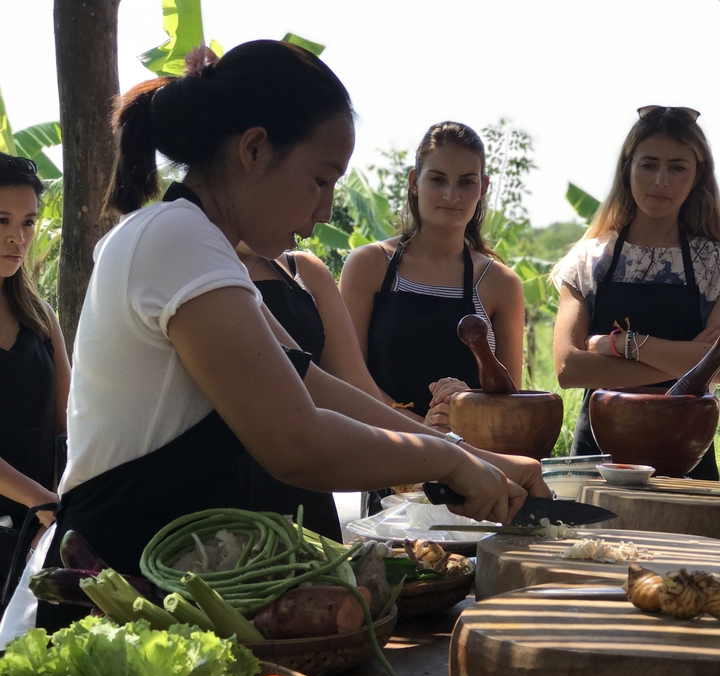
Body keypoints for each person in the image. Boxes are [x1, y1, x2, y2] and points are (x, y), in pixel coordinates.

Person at [20, 41, 547, 635]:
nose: (325, 210)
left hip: (172, 586)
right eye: (321, 180)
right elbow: (296, 440)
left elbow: (311, 383)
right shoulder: (175, 239)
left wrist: (485, 459)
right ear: (253, 149)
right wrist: (448, 459)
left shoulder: (202, 246)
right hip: (119, 594)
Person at [553, 105, 720, 479]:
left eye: (678, 167)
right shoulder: (589, 259)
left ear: (697, 176)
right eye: (649, 164)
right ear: (627, 168)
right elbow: (568, 368)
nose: (661, 180)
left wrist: (623, 344)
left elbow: (718, 367)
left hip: (687, 460)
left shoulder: (714, 263)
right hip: (599, 459)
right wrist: (689, 360)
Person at [340, 120, 525, 429]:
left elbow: (513, 404)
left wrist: (469, 404)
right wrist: (421, 428)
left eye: (466, 182)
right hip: (377, 453)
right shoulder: (369, 266)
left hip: (469, 463)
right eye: (438, 179)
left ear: (483, 188)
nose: (451, 194)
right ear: (414, 181)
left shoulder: (501, 284)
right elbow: (347, 380)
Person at [236, 244, 385, 539]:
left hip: (307, 492)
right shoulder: (199, 268)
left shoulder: (304, 270)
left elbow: (353, 385)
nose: (323, 215)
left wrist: (427, 440)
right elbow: (309, 383)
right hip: (222, 494)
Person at [0, 154, 70, 606]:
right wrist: (44, 503)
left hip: (37, 537)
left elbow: (69, 422)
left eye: (27, 222)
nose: (17, 237)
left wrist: (63, 504)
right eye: (2, 219)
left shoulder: (41, 316)